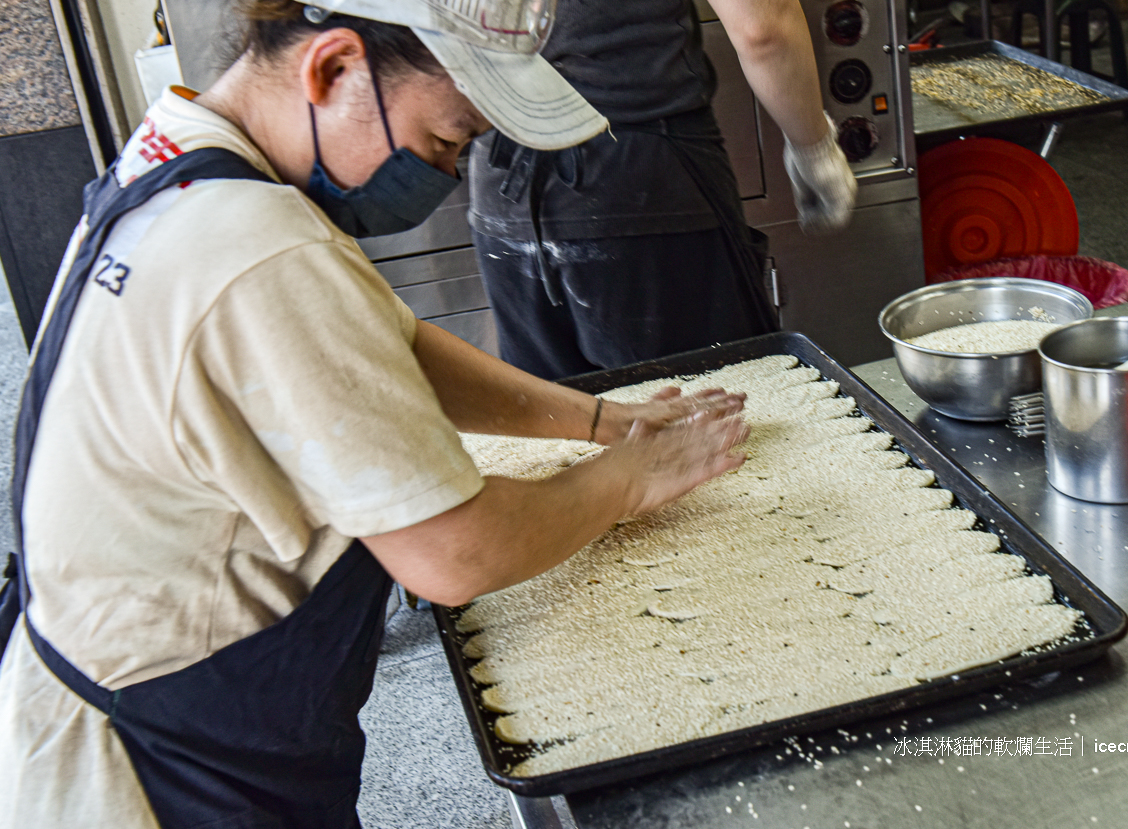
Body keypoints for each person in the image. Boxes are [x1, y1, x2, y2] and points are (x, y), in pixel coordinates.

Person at [0, 1, 750, 826]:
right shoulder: (261, 245)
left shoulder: (184, 152)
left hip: (129, 694)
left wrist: (601, 422)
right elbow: (455, 552)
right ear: (332, 68)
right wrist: (627, 480)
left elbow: (388, 348)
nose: (447, 174)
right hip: (156, 765)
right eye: (445, 142)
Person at [467, 0, 858, 379]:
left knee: (566, 434)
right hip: (637, 186)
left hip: (501, 192)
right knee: (724, 419)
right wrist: (814, 149)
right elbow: (764, 28)